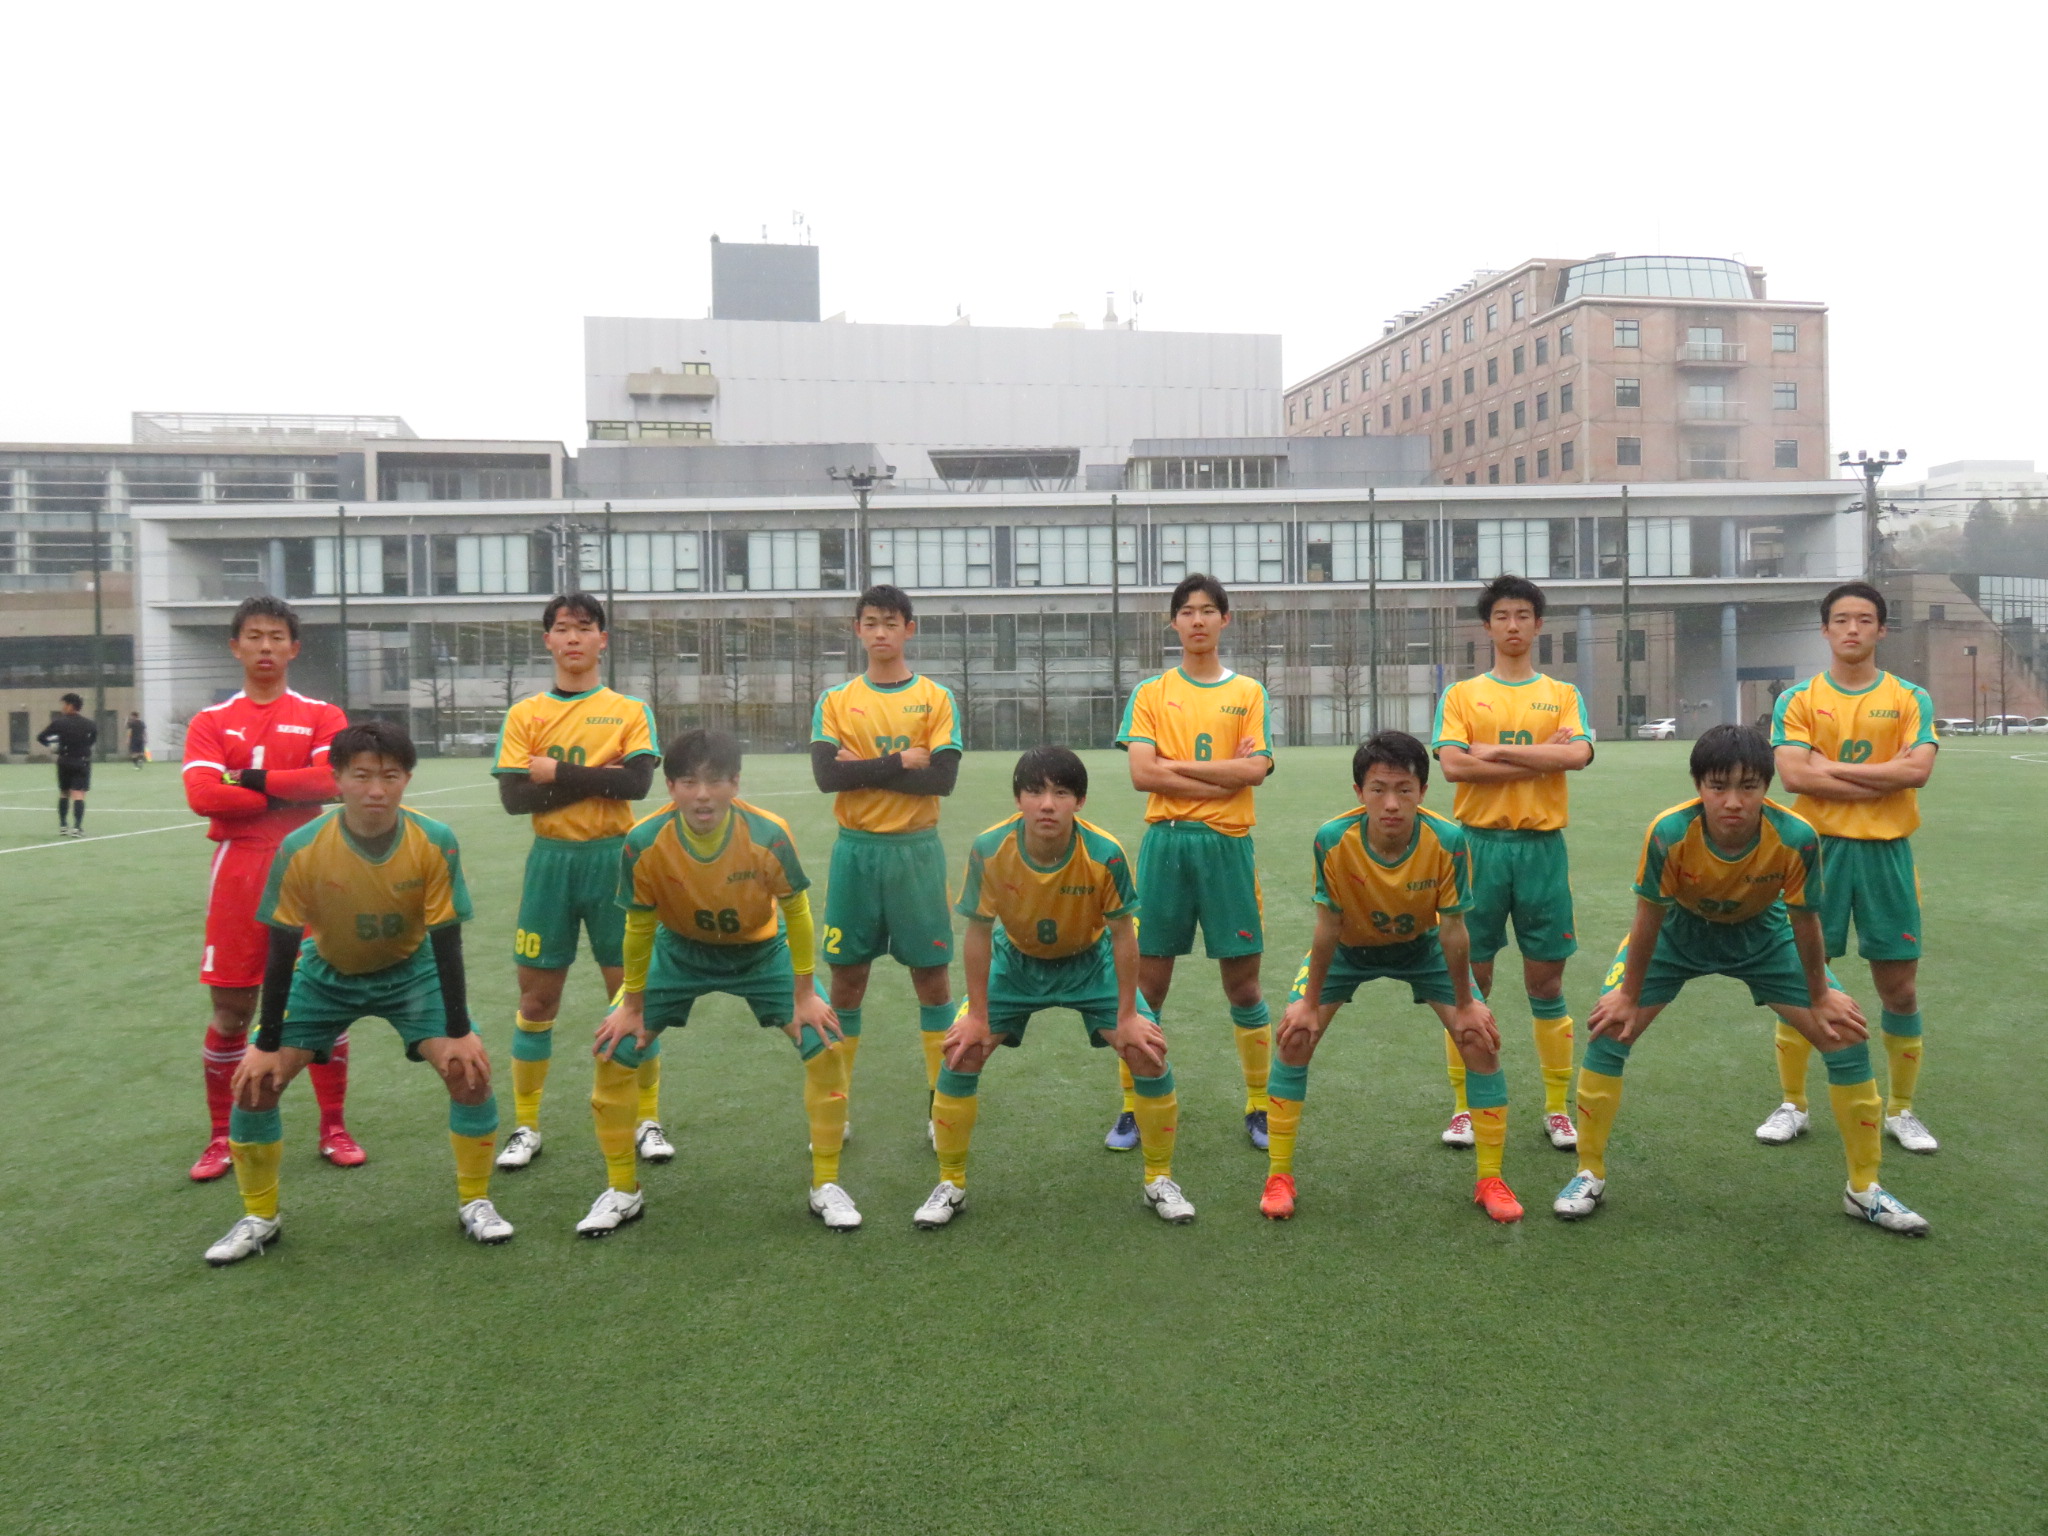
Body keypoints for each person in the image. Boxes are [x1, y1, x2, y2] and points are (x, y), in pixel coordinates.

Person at [1553, 724, 1927, 1236]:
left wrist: (1820, 996)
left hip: (1763, 935)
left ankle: (1864, 1189)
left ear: (1766, 787)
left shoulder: (1796, 836)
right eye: (1718, 786)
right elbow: (1648, 917)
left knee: (1844, 1034)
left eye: (1748, 787)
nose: (1733, 801)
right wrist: (1628, 995)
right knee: (1609, 1028)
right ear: (1698, 786)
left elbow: (1805, 921)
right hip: (1679, 934)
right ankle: (1588, 1173)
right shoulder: (1668, 832)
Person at [203, 720, 511, 1264]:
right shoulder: (302, 846)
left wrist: (460, 1030)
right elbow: (281, 945)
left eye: (389, 776)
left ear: (407, 779)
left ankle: (476, 1202)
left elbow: (447, 938)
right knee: (255, 1083)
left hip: (410, 972)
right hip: (327, 975)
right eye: (362, 776)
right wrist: (267, 1040)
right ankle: (259, 1217)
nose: (375, 790)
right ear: (337, 780)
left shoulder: (435, 840)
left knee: (470, 1072)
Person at [914, 746, 1194, 1229]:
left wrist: (1128, 1016)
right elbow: (978, 934)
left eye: (1061, 793)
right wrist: (977, 1015)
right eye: (1035, 791)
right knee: (961, 1052)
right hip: (1015, 962)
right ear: (1018, 799)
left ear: (1079, 802)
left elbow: (1123, 935)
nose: (1047, 804)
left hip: (1090, 962)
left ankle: (1159, 1179)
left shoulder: (1104, 853)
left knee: (1147, 1052)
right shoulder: (989, 848)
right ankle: (950, 1183)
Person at [588, 730, 855, 1234]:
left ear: (735, 783)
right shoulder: (644, 841)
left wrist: (804, 995)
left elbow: (797, 913)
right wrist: (633, 1005)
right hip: (678, 952)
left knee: (825, 1044)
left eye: (714, 781)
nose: (703, 795)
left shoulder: (768, 833)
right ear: (670, 786)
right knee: (613, 1048)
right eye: (689, 782)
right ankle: (622, 1190)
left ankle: (826, 1185)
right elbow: (638, 926)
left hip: (761, 952)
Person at [1270, 732, 1518, 1223]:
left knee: (1479, 1039)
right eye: (1378, 789)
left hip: (1421, 948)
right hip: (1349, 948)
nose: (1391, 804)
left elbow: (1453, 930)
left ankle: (1491, 1179)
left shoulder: (1448, 840)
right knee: (1295, 1035)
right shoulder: (1331, 839)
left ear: (1422, 791)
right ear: (1359, 792)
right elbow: (1327, 927)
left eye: (1404, 790)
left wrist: (1466, 1005)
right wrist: (1309, 1003)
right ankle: (1279, 1176)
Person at [180, 598, 361, 1181]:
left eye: (276, 636)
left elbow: (328, 781)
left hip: (310, 866)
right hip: (238, 869)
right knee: (232, 1010)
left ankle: (333, 1126)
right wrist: (286, 791)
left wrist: (246, 781)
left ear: (294, 648)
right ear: (235, 646)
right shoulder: (211, 721)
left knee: (323, 999)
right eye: (254, 636)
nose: (265, 646)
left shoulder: (321, 714)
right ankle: (221, 1135)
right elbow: (203, 796)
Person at [1762, 582, 1941, 1154]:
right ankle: (1793, 1103)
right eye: (1841, 620)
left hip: (1887, 854)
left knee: (1900, 988)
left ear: (1881, 629)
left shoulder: (1910, 697)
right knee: (1799, 979)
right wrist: (1883, 775)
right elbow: (1794, 776)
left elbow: (1917, 772)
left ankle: (1902, 1109)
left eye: (1865, 619)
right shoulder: (1799, 699)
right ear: (1825, 629)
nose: (1853, 629)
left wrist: (1830, 767)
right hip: (1816, 853)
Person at [490, 594, 665, 1174]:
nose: (572, 638)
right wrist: (597, 777)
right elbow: (516, 798)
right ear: (548, 640)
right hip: (551, 864)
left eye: (584, 628)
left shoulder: (629, 710)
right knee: (537, 999)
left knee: (631, 996)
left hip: (614, 861)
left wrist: (556, 772)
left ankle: (646, 1119)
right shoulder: (525, 714)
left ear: (601, 640)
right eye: (562, 629)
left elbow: (636, 785)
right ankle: (526, 1124)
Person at [1112, 574, 1275, 1152]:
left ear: (1224, 620)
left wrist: (1175, 767)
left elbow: (1254, 771)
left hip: (1228, 847)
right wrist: (1221, 777)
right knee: (1146, 987)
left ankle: (1260, 1103)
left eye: (1208, 610)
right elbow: (1142, 775)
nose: (1198, 620)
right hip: (1167, 844)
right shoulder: (1151, 693)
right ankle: (1134, 1106)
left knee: (1244, 986)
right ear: (1173, 621)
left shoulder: (1248, 692)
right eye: (1187, 611)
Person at [1431, 575, 1594, 1154]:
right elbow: (1454, 766)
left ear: (1539, 624)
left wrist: (1498, 750)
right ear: (1488, 626)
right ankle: (1465, 1106)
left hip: (1542, 849)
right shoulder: (1462, 695)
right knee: (1470, 981)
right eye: (1502, 616)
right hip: (1478, 848)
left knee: (1546, 981)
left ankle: (1557, 1108)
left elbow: (1579, 754)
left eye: (1523, 615)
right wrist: (1544, 757)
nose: (1513, 625)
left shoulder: (1562, 693)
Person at [809, 584, 962, 1142]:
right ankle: (836, 1107)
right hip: (857, 853)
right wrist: (901, 760)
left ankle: (940, 1105)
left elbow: (941, 779)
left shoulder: (936, 698)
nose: (880, 632)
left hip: (916, 853)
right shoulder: (835, 700)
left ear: (908, 629)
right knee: (847, 981)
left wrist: (864, 767)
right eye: (870, 622)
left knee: (933, 981)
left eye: (891, 622)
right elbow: (827, 776)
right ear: (857, 629)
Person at [37, 693, 97, 837]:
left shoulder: (59, 723)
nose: (62, 707)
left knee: (64, 792)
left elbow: (41, 737)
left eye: (64, 704)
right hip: (82, 761)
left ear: (70, 705)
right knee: (78, 794)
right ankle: (77, 827)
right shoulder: (89, 724)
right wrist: (82, 747)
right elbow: (93, 740)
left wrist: (52, 746)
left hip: (64, 760)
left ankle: (63, 825)